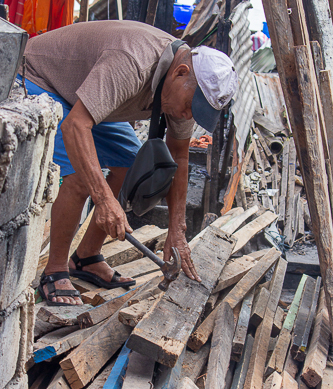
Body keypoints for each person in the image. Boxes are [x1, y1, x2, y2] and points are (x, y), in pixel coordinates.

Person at [20, 20, 238, 305]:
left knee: (130, 165)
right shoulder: (133, 62)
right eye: (190, 106)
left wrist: (177, 228)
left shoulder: (180, 86)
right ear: (181, 73)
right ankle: (55, 270)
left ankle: (85, 258)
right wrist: (104, 200)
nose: (188, 116)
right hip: (44, 80)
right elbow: (75, 126)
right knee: (81, 175)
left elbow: (180, 155)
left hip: (87, 98)